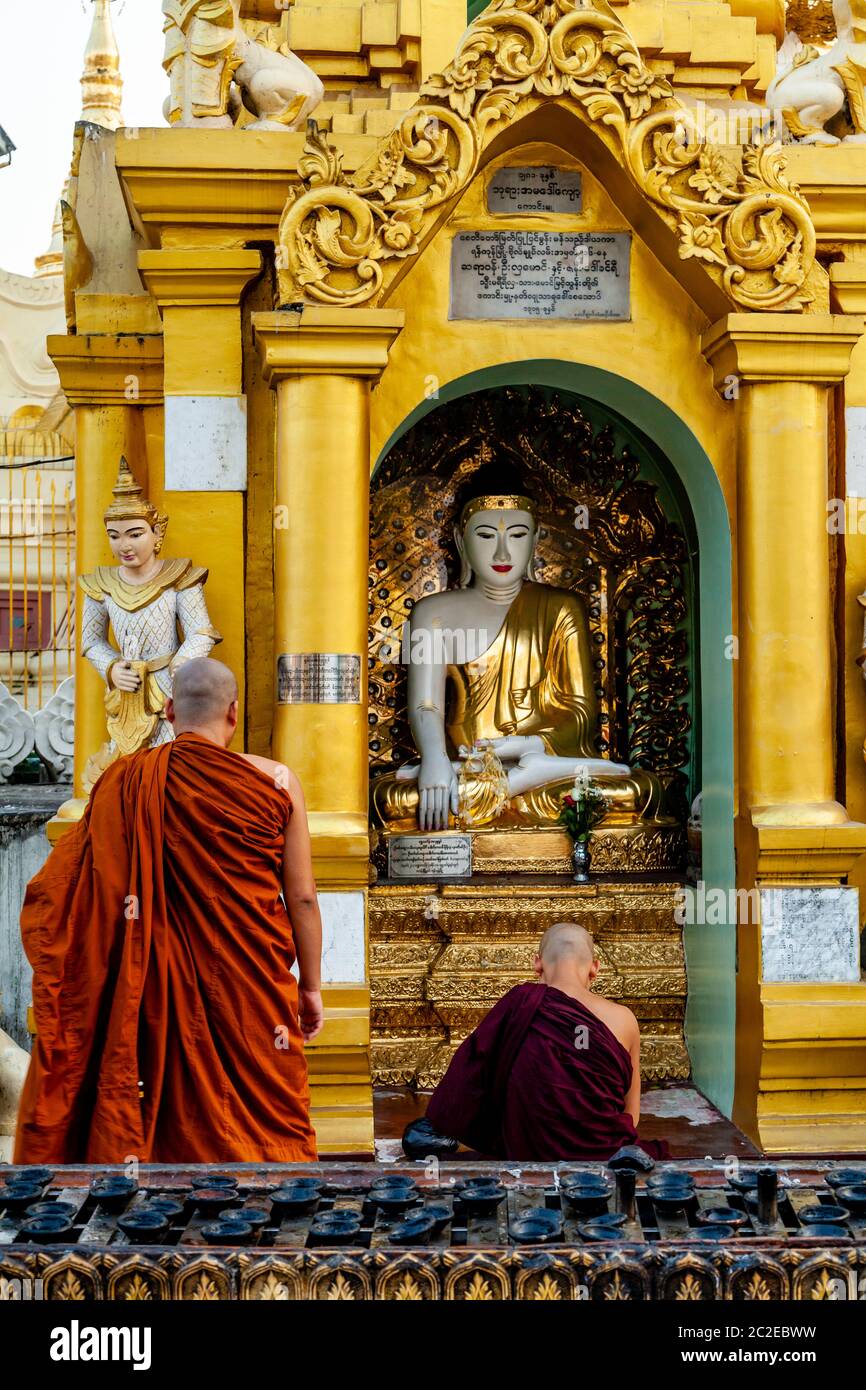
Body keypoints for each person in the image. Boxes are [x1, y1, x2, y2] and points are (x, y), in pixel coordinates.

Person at [14, 658, 323, 1164]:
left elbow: (65, 892)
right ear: (235, 712)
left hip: (150, 981)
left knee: (157, 1085)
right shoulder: (277, 781)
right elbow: (304, 898)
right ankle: (268, 1195)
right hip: (252, 986)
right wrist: (309, 988)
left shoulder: (125, 780)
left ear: (168, 709)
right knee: (268, 1108)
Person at [419, 922, 669, 1162]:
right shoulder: (624, 1019)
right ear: (595, 967)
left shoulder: (520, 1005)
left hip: (528, 1153)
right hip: (604, 1155)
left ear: (537, 963)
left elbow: (465, 1086)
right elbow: (631, 1115)